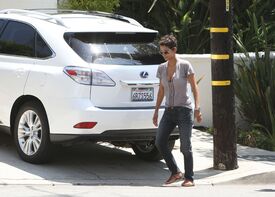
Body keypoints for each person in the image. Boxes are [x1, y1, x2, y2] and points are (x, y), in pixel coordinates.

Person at [153, 34, 202, 187]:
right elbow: (161, 90)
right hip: (169, 110)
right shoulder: (161, 68)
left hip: (184, 110)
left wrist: (197, 108)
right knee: (160, 142)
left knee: (185, 146)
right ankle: (175, 172)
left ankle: (189, 178)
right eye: (161, 52)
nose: (163, 55)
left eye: (166, 52)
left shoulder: (185, 65)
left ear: (174, 50)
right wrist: (156, 111)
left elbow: (194, 87)